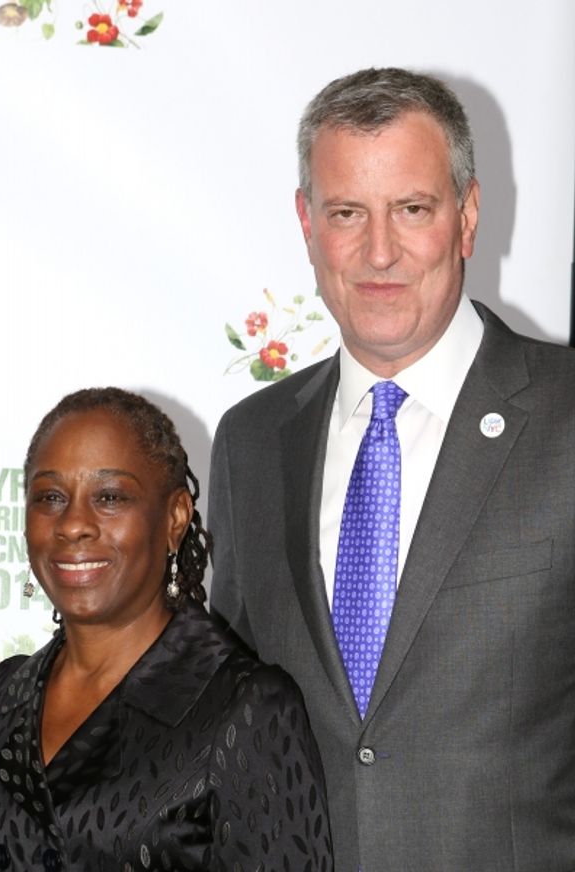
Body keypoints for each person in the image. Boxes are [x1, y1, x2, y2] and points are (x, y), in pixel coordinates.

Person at [208, 67, 575, 872]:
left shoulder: (566, 419)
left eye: (412, 209)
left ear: (468, 216)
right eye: (347, 213)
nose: (379, 251)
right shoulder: (250, 442)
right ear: (308, 222)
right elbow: (228, 729)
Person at [0, 387, 333, 872]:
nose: (73, 524)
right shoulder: (6, 694)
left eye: (110, 497)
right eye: (51, 497)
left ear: (175, 517)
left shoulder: (246, 707)